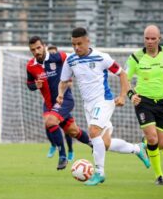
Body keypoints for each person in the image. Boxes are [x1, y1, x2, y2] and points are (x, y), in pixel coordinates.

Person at [57, 27, 150, 186]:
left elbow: (122, 73)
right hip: (89, 106)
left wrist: (122, 96)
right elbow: (64, 81)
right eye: (73, 44)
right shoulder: (70, 60)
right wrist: (60, 94)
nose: (76, 47)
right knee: (103, 144)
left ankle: (99, 173)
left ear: (88, 41)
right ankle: (137, 148)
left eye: (79, 43)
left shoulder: (101, 57)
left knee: (93, 132)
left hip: (104, 101)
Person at [126, 25, 163, 185]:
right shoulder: (135, 58)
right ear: (143, 39)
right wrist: (131, 95)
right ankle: (159, 176)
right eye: (147, 38)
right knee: (152, 138)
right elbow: (125, 78)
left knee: (162, 143)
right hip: (144, 102)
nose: (150, 41)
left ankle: (142, 145)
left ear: (159, 38)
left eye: (153, 38)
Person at [26, 36, 92, 170]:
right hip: (50, 104)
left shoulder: (58, 57)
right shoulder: (30, 66)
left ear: (44, 46)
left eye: (38, 48)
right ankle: (93, 144)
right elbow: (29, 85)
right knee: (73, 131)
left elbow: (75, 58)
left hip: (64, 100)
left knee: (50, 122)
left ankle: (62, 155)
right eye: (33, 50)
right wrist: (35, 85)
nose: (36, 51)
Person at [46, 44, 74, 160]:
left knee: (68, 129)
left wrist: (61, 88)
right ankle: (54, 145)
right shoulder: (45, 68)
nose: (52, 55)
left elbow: (70, 84)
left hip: (63, 102)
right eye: (50, 53)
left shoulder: (63, 68)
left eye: (54, 53)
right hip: (51, 102)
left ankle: (70, 150)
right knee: (48, 123)